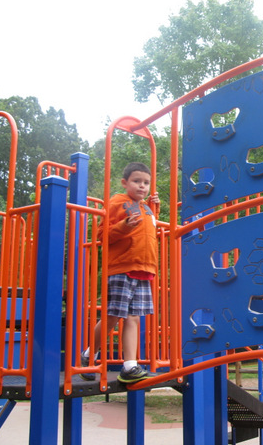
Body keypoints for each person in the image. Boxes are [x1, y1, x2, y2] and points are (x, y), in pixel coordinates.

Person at [81, 162, 160, 384]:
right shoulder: (117, 202)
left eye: (146, 182)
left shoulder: (145, 207)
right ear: (125, 183)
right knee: (114, 315)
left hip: (143, 267)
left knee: (134, 317)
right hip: (122, 266)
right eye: (137, 181)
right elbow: (101, 234)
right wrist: (124, 226)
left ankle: (130, 366)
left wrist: (154, 208)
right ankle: (89, 355)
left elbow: (148, 229)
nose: (142, 186)